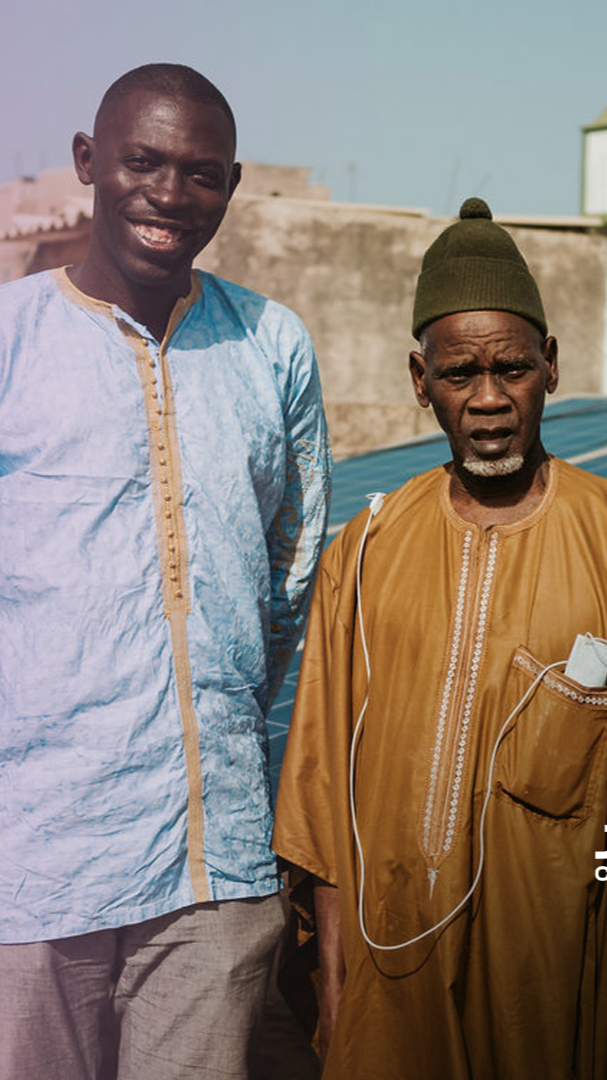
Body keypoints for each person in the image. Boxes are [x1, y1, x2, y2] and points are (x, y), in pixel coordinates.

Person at [0, 63, 330, 1080]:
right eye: (143, 162)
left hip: (212, 868)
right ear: (89, 164)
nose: (168, 195)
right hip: (30, 867)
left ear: (229, 189)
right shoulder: (12, 341)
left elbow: (291, 573)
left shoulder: (270, 345)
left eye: (200, 174)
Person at [273, 198, 607, 1079]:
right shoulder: (367, 546)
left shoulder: (604, 536)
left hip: (553, 972)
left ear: (551, 367)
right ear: (420, 381)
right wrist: (336, 975)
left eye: (512, 369)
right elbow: (321, 785)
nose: (489, 400)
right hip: (392, 963)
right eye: (461, 375)